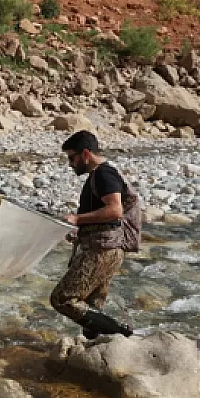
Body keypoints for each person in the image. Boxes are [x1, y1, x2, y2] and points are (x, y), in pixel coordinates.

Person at [50, 130, 135, 339]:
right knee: (91, 307)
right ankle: (99, 349)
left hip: (102, 251)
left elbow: (115, 210)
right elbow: (106, 216)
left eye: (72, 158)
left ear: (85, 153)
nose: (70, 164)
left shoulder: (103, 174)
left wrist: (78, 220)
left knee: (63, 299)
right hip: (107, 247)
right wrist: (81, 231)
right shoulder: (101, 175)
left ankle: (123, 334)